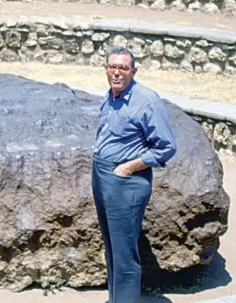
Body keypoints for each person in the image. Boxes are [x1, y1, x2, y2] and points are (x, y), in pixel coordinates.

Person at [92, 46, 177, 303]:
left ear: (134, 71)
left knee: (125, 253)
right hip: (102, 176)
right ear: (106, 68)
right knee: (111, 247)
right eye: (112, 67)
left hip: (125, 182)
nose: (117, 72)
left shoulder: (146, 100)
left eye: (123, 68)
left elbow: (167, 146)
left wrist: (128, 167)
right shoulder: (111, 96)